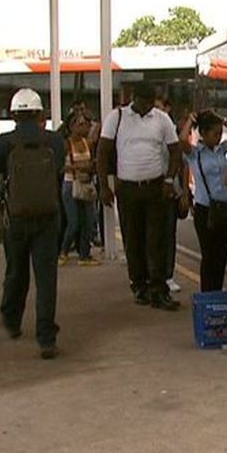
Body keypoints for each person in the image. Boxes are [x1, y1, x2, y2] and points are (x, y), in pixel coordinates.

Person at [0, 89, 66, 359]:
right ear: (40, 114)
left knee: (16, 271)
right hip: (48, 218)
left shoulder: (5, 142)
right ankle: (46, 339)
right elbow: (58, 172)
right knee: (46, 278)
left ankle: (12, 321)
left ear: (14, 114)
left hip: (15, 219)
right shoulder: (54, 142)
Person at [96, 83, 182, 311]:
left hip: (155, 187)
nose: (147, 106)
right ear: (134, 99)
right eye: (144, 102)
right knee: (133, 238)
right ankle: (139, 286)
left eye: (151, 102)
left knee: (157, 240)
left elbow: (175, 151)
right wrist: (104, 186)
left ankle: (158, 289)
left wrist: (169, 180)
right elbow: (102, 152)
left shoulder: (162, 119)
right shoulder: (118, 117)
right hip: (127, 189)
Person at [181, 109, 227, 293]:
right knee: (209, 255)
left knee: (222, 255)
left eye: (220, 133)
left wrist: (221, 118)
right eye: (215, 133)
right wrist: (190, 119)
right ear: (203, 133)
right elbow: (182, 140)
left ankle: (217, 292)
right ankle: (207, 293)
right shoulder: (196, 153)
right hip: (206, 210)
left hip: (225, 208)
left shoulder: (223, 149)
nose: (219, 137)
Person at [155, 95, 191, 293]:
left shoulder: (171, 137)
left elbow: (183, 164)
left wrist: (184, 193)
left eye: (161, 108)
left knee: (169, 234)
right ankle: (154, 275)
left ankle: (168, 275)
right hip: (150, 192)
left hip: (170, 192)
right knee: (153, 236)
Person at [58, 110, 100, 266]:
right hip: (70, 185)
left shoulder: (87, 143)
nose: (84, 127)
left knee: (88, 221)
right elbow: (60, 167)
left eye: (85, 124)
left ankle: (85, 254)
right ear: (71, 127)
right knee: (74, 221)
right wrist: (79, 167)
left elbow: (93, 162)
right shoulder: (66, 144)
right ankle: (63, 251)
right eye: (80, 124)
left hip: (86, 185)